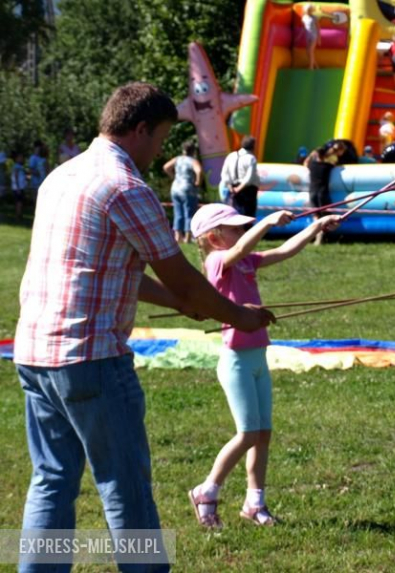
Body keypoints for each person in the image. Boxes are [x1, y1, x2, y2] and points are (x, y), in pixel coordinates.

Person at [14, 82, 275, 572]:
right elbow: (184, 279)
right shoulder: (126, 187)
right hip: (91, 359)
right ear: (139, 130)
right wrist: (239, 315)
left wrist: (185, 306)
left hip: (34, 355)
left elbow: (117, 274)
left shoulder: (61, 176)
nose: (158, 154)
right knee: (124, 484)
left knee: (51, 479)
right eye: (158, 140)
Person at [187, 203, 341, 529]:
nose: (242, 232)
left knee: (263, 435)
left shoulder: (245, 261)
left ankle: (254, 502)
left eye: (244, 226)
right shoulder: (218, 262)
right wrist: (268, 221)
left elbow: (285, 251)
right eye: (235, 228)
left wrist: (316, 227)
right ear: (214, 238)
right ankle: (206, 491)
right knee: (247, 434)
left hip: (257, 357)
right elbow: (243, 246)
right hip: (236, 363)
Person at [304, 140, 347, 244]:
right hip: (323, 193)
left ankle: (314, 236)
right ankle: (321, 236)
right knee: (325, 216)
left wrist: (311, 155)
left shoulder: (312, 165)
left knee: (315, 216)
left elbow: (305, 163)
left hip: (312, 193)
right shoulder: (328, 166)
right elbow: (336, 164)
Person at [163, 139, 203, 243]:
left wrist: (173, 177)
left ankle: (177, 237)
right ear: (193, 151)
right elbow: (198, 170)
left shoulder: (178, 159)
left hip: (175, 188)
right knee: (189, 212)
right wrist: (198, 181)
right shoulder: (193, 161)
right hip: (187, 189)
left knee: (178, 213)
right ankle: (187, 238)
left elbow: (166, 167)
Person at [220, 136, 260, 218]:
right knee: (248, 215)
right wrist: (239, 188)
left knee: (236, 213)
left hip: (233, 187)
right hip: (248, 190)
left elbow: (224, 174)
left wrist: (230, 186)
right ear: (253, 146)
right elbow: (249, 178)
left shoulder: (231, 156)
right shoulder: (251, 158)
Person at [302, 3, 320, 70]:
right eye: (307, 10)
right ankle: (316, 66)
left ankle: (311, 67)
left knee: (310, 51)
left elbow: (318, 28)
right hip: (307, 36)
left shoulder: (314, 18)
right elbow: (304, 27)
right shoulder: (304, 17)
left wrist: (319, 38)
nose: (308, 11)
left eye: (310, 10)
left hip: (313, 36)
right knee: (308, 52)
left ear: (312, 10)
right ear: (305, 10)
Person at [11, 151, 27, 221]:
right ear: (16, 159)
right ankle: (18, 215)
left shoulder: (20, 166)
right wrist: (17, 187)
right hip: (18, 188)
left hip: (20, 187)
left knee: (20, 202)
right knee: (19, 202)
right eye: (20, 157)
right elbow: (16, 176)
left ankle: (19, 214)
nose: (22, 159)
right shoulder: (17, 166)